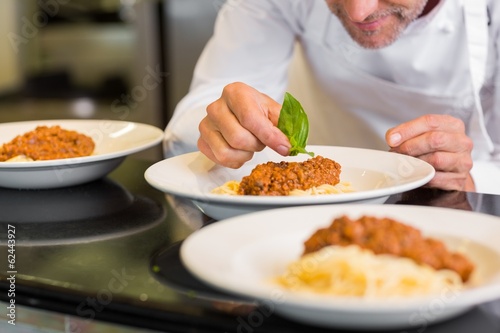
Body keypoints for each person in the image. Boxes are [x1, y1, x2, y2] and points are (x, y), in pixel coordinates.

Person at [164, 0, 500, 195]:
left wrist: (472, 178)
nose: (358, 12)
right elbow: (187, 130)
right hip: (313, 208)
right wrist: (222, 126)